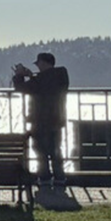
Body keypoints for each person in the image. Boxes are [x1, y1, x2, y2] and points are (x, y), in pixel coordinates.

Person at [12, 52, 72, 186]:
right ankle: (60, 177)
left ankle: (45, 178)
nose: (37, 66)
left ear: (44, 63)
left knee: (40, 150)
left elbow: (22, 88)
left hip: (40, 120)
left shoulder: (41, 80)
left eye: (38, 64)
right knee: (56, 150)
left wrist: (19, 75)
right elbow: (44, 84)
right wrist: (32, 76)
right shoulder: (61, 76)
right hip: (57, 119)